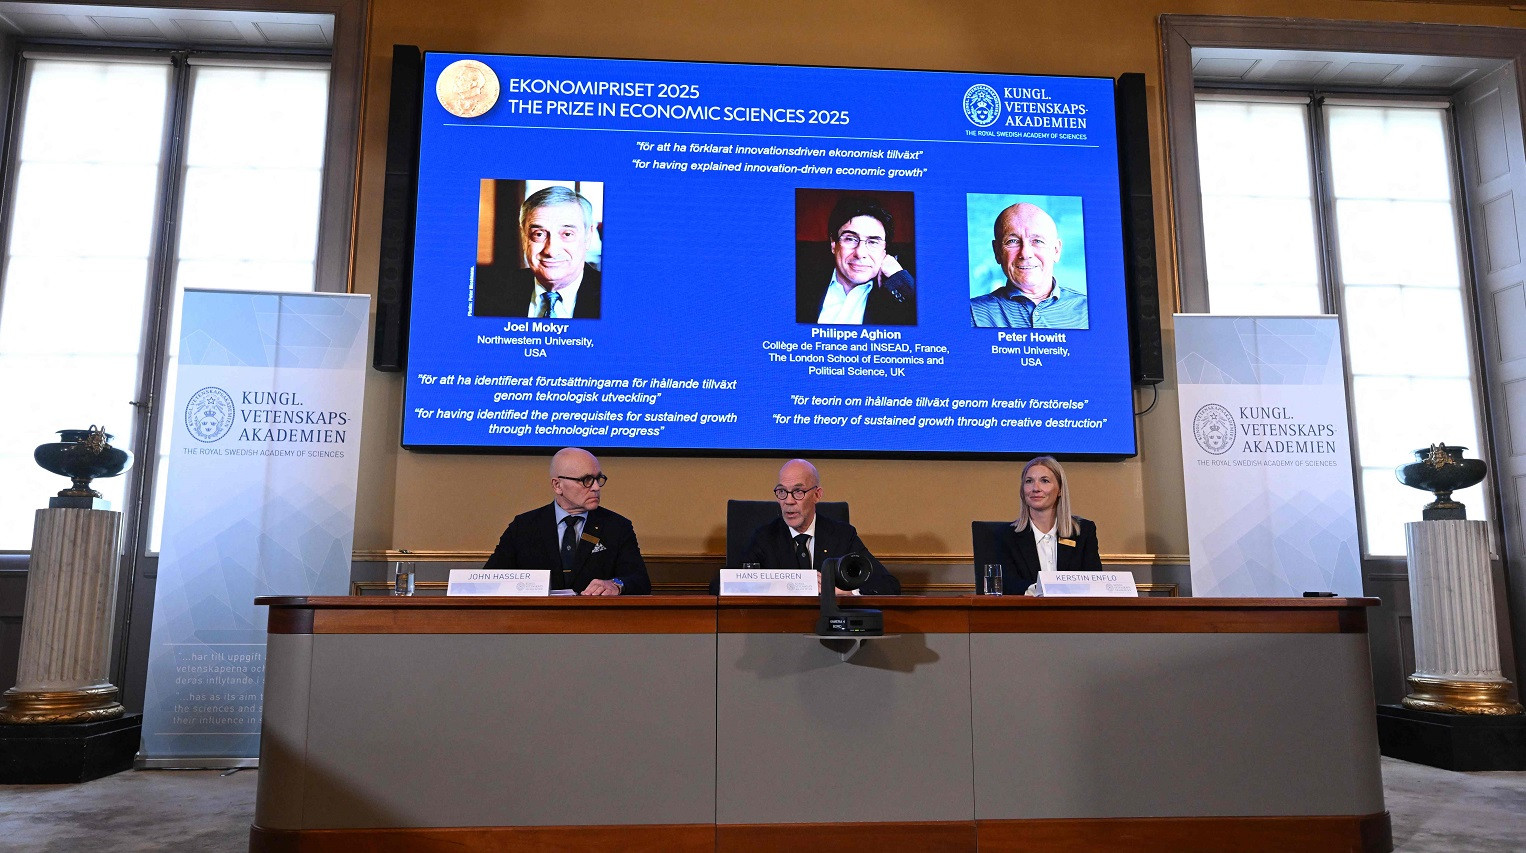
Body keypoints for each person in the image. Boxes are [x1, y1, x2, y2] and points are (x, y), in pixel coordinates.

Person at [483, 447, 649, 594]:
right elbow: (490, 580)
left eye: (598, 479)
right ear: (557, 485)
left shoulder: (617, 527)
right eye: (586, 480)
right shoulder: (523, 527)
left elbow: (640, 581)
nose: (596, 487)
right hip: (537, 617)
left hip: (594, 617)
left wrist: (616, 585)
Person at [736, 458, 901, 595]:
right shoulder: (765, 538)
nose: (788, 501)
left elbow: (888, 586)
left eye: (798, 492)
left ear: (817, 495)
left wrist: (848, 593)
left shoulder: (842, 536)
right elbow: (728, 585)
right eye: (782, 492)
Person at [474, 186, 602, 318]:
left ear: (588, 236)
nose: (551, 251)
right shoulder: (486, 295)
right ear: (524, 237)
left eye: (567, 234)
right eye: (539, 234)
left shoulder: (611, 296)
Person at [797, 195, 916, 326]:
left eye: (873, 242)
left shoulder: (899, 295)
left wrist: (899, 278)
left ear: (885, 250)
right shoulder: (801, 285)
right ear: (833, 244)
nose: (860, 253)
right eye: (850, 239)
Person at [990, 456, 1102, 594]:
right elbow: (1007, 585)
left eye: (1044, 481)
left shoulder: (1083, 532)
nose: (1035, 488)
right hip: (1026, 607)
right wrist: (1040, 590)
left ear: (1060, 489)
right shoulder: (1006, 536)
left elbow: (1094, 583)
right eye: (1029, 481)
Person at [970, 202, 1089, 329]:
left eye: (1037, 241)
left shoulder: (1088, 311)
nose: (1025, 254)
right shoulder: (971, 313)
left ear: (1056, 251)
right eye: (1012, 241)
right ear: (997, 252)